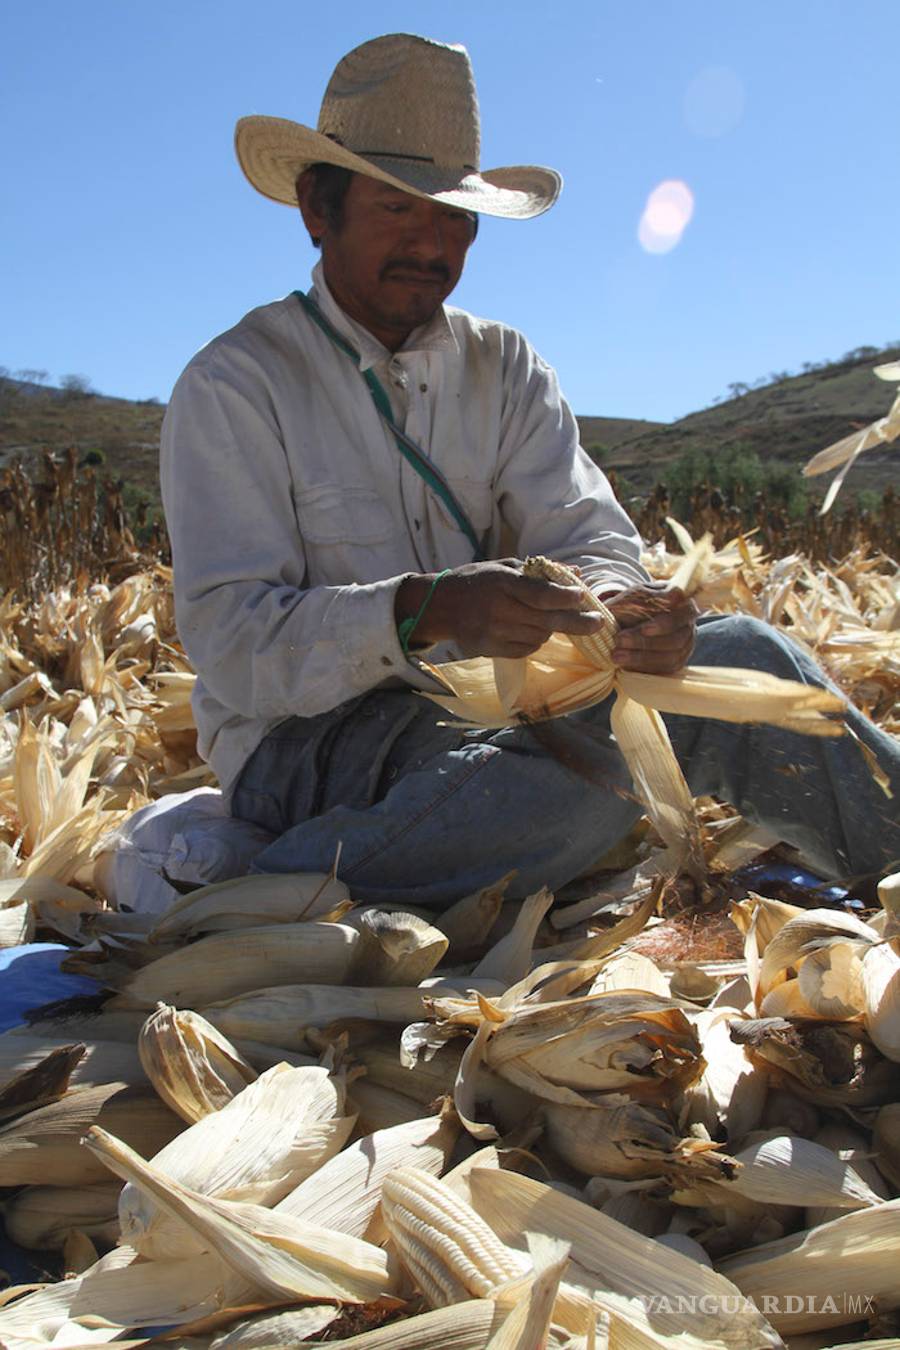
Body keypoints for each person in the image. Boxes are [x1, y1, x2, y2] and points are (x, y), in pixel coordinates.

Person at [160, 33, 900, 907]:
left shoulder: (503, 365)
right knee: (577, 777)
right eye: (399, 209)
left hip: (515, 711)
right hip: (306, 743)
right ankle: (253, 894)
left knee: (748, 658)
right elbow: (233, 643)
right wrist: (420, 612)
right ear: (318, 210)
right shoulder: (236, 384)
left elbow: (589, 535)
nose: (431, 244)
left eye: (453, 218)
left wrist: (626, 614)